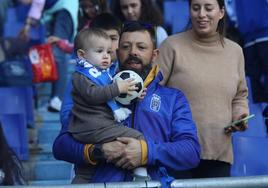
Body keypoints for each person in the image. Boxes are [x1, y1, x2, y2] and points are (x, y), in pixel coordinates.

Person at [53, 21, 200, 185]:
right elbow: (61, 146)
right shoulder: (98, 93)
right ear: (117, 52)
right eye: (126, 47)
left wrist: (146, 152)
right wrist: (98, 151)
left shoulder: (173, 98)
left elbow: (191, 152)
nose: (133, 52)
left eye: (141, 47)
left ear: (154, 54)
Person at [155, 0, 249, 178]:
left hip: (218, 152)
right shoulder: (171, 45)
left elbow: (240, 95)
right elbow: (153, 91)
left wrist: (240, 115)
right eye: (196, 8)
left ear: (221, 12)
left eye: (208, 8)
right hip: (176, 151)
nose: (201, 14)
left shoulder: (235, 52)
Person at [69, 27, 150, 182]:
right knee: (137, 137)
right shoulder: (81, 76)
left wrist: (134, 95)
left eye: (108, 51)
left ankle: (79, 183)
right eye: (99, 51)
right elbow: (94, 95)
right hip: (93, 127)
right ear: (82, 55)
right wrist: (118, 87)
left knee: (86, 170)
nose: (106, 56)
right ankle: (141, 177)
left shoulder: (104, 74)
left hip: (93, 127)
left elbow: (113, 98)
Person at [18, 0, 79, 112]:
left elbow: (38, 4)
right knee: (52, 48)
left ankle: (59, 98)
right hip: (54, 11)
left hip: (65, 8)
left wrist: (27, 25)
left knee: (58, 51)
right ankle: (55, 97)